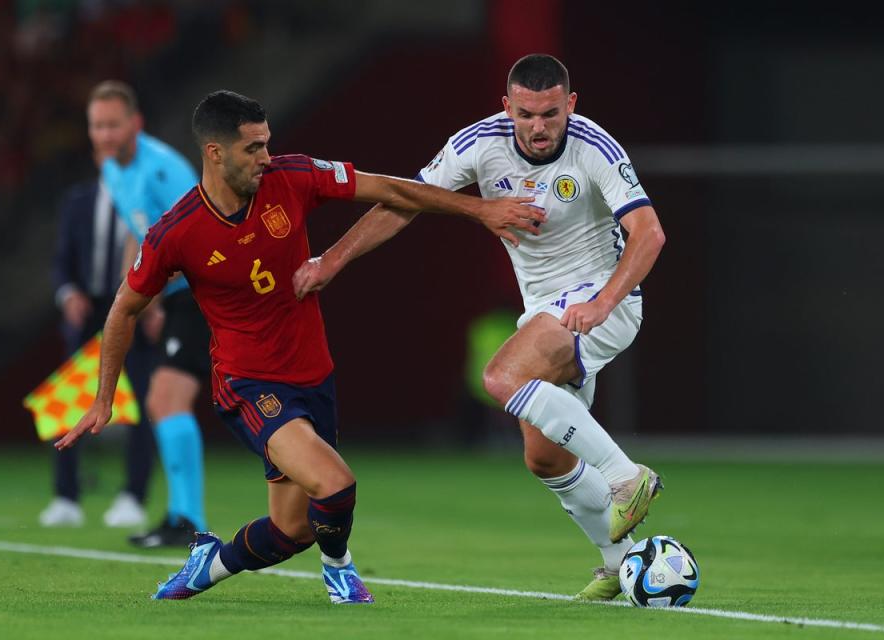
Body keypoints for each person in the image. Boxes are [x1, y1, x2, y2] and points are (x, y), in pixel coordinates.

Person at [55, 90, 542, 604]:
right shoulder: (177, 232)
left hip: (313, 376)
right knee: (334, 485)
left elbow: (396, 191)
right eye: (253, 149)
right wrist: (104, 398)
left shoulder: (292, 176)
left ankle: (208, 564)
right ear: (215, 153)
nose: (266, 157)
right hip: (248, 382)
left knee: (292, 531)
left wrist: (479, 209)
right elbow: (122, 310)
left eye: (267, 144)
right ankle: (341, 574)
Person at [292, 54, 666, 601]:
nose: (539, 127)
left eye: (551, 114)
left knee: (499, 377)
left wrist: (606, 300)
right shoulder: (478, 144)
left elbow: (649, 233)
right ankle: (619, 562)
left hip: (600, 300)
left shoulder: (596, 147)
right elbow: (403, 201)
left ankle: (626, 476)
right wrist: (331, 260)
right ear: (506, 106)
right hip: (543, 308)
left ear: (572, 105)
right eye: (526, 114)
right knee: (544, 455)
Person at [87, 80, 210, 547]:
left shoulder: (163, 170)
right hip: (173, 296)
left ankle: (188, 521)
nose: (104, 135)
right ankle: (183, 518)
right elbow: (138, 234)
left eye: (112, 125)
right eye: (97, 126)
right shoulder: (112, 171)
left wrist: (153, 298)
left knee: (167, 400)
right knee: (165, 402)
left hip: (200, 291)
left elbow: (197, 235)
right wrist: (132, 297)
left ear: (134, 124)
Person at [41, 157, 156, 529]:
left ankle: (133, 497)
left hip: (133, 308)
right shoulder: (78, 201)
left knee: (141, 401)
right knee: (67, 403)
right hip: (88, 312)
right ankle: (65, 497)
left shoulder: (149, 202)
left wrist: (155, 305)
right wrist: (67, 293)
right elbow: (61, 263)